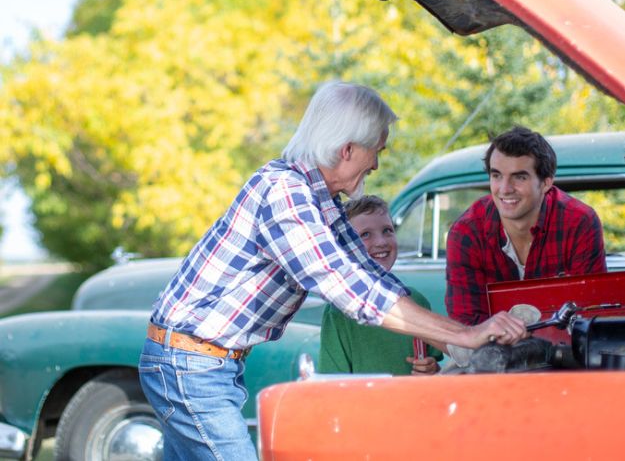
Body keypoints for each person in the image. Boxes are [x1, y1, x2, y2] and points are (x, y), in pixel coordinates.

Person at [139, 81, 526, 461]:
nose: (376, 163)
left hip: (205, 361)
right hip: (190, 363)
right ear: (347, 150)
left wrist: (462, 346)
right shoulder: (285, 193)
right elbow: (351, 290)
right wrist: (466, 334)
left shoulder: (319, 200)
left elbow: (370, 275)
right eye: (376, 151)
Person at [445, 125, 607, 325]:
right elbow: (466, 324)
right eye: (496, 176)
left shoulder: (578, 222)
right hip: (490, 352)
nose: (504, 189)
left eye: (519, 177)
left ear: (546, 183)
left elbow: (590, 313)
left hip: (564, 351)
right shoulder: (467, 232)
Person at [319, 194, 443, 376]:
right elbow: (333, 380)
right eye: (365, 235)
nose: (381, 242)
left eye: (387, 230)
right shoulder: (338, 311)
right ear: (345, 247)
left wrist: (431, 368)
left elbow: (433, 363)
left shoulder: (416, 300)